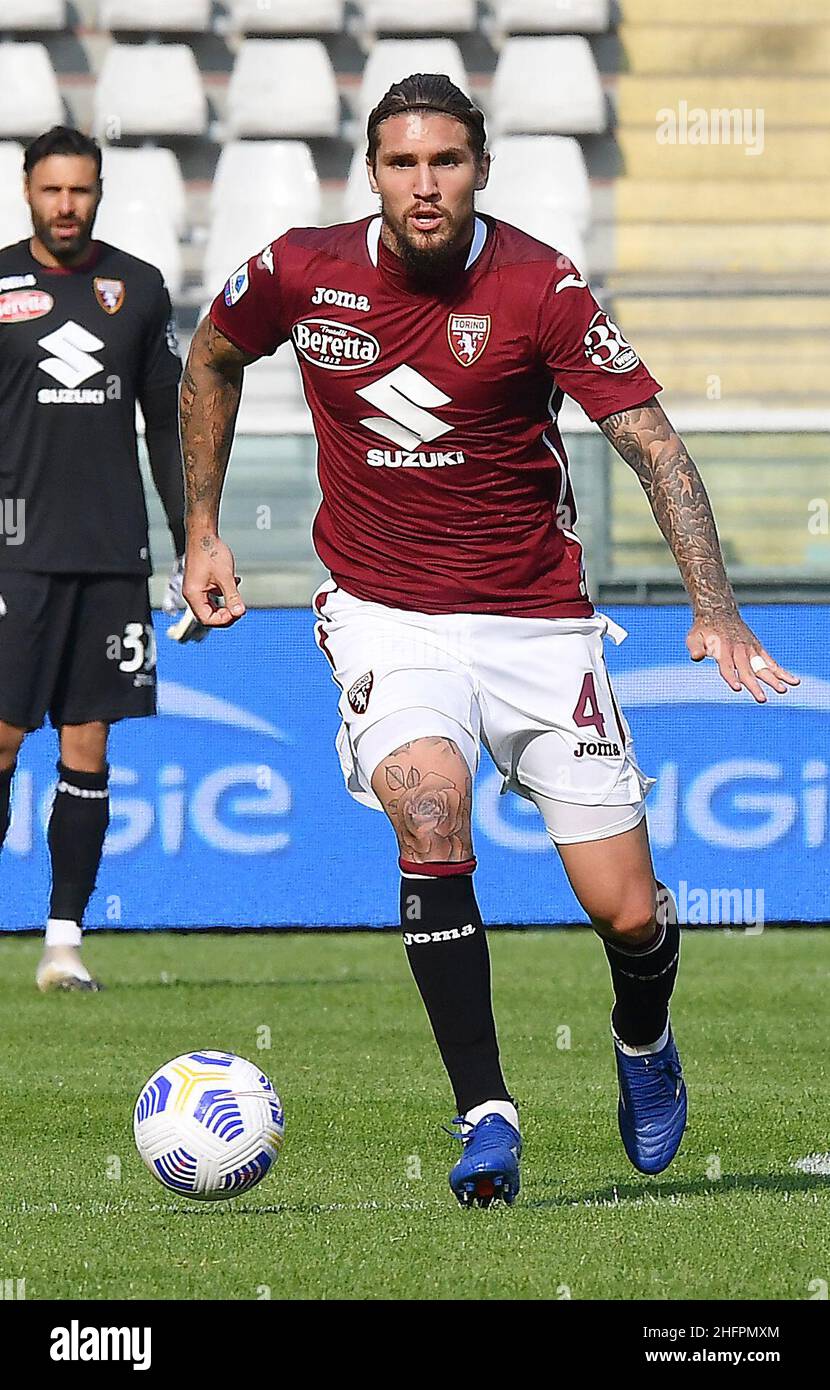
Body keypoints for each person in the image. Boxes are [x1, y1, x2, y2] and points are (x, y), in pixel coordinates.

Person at [180, 76, 799, 1206]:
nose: (426, 185)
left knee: (623, 907)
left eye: (447, 162)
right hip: (382, 608)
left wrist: (711, 608)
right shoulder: (295, 270)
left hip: (536, 622)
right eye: (404, 163)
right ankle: (486, 1115)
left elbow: (652, 446)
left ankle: (642, 1042)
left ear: (480, 166)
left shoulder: (538, 285)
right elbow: (211, 355)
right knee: (428, 798)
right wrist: (204, 529)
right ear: (369, 171)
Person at [0, 126, 188, 991]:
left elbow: (170, 433)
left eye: (80, 191)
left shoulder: (138, 289)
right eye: (51, 191)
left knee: (89, 747)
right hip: (13, 559)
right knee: (1, 740)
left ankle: (64, 944)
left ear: (99, 190)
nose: (65, 207)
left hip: (112, 556)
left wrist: (196, 544)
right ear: (28, 190)